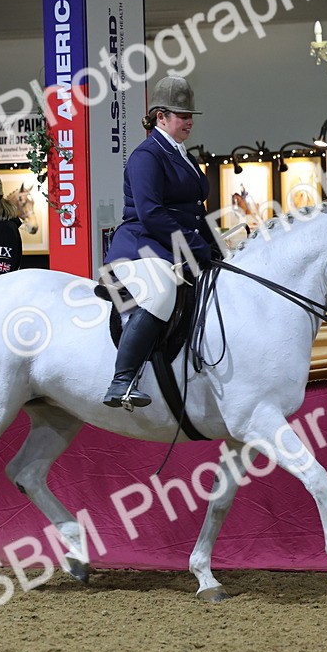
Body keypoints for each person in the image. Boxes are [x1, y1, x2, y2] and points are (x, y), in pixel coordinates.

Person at [100, 75, 219, 409]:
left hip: (174, 243)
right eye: (182, 115)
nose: (189, 120)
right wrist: (196, 247)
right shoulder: (147, 156)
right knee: (162, 291)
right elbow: (151, 214)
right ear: (160, 117)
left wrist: (219, 250)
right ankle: (122, 379)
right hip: (142, 243)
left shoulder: (183, 154)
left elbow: (197, 210)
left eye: (190, 114)